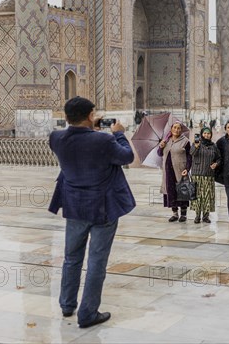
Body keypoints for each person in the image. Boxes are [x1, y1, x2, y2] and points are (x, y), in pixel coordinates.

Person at [48, 97, 135, 328]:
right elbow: (126, 156)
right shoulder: (104, 140)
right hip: (102, 209)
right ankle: (87, 313)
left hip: (74, 207)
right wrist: (118, 133)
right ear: (90, 115)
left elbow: (79, 145)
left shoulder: (56, 138)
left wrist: (91, 130)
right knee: (96, 261)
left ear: (66, 117)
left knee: (71, 258)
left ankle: (67, 304)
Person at [158, 121, 192, 222]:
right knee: (171, 191)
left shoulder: (185, 141)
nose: (176, 130)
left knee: (182, 191)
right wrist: (161, 146)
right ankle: (175, 213)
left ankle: (184, 214)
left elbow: (189, 156)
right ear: (171, 129)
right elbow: (160, 153)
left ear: (181, 130)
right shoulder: (166, 140)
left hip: (180, 170)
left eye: (178, 128)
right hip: (168, 171)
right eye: (174, 128)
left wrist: (187, 168)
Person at [190, 127, 221, 223]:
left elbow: (219, 158)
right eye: (204, 133)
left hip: (209, 174)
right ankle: (197, 216)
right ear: (201, 134)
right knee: (198, 196)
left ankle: (206, 216)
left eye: (208, 133)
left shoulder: (214, 146)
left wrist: (216, 164)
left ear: (211, 135)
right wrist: (196, 146)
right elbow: (192, 153)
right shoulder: (196, 144)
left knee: (208, 195)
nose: (206, 135)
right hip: (197, 174)